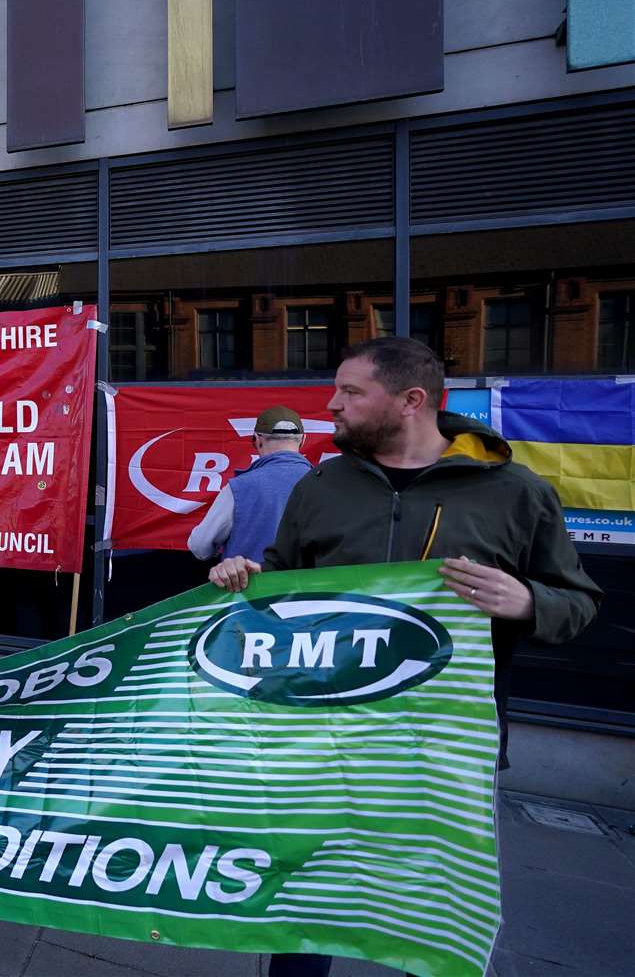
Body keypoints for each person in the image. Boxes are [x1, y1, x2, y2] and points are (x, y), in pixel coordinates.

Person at [206, 338, 601, 977]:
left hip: (447, 742)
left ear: (411, 401)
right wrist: (243, 575)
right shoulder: (322, 484)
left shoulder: (514, 492)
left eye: (350, 393)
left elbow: (577, 601)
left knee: (442, 905)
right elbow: (278, 583)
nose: (330, 406)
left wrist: (527, 600)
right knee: (307, 896)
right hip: (326, 734)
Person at [187, 406, 313, 564]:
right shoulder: (325, 483)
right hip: (309, 587)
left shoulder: (239, 488)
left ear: (257, 439)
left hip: (253, 586)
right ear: (303, 440)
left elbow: (200, 547)